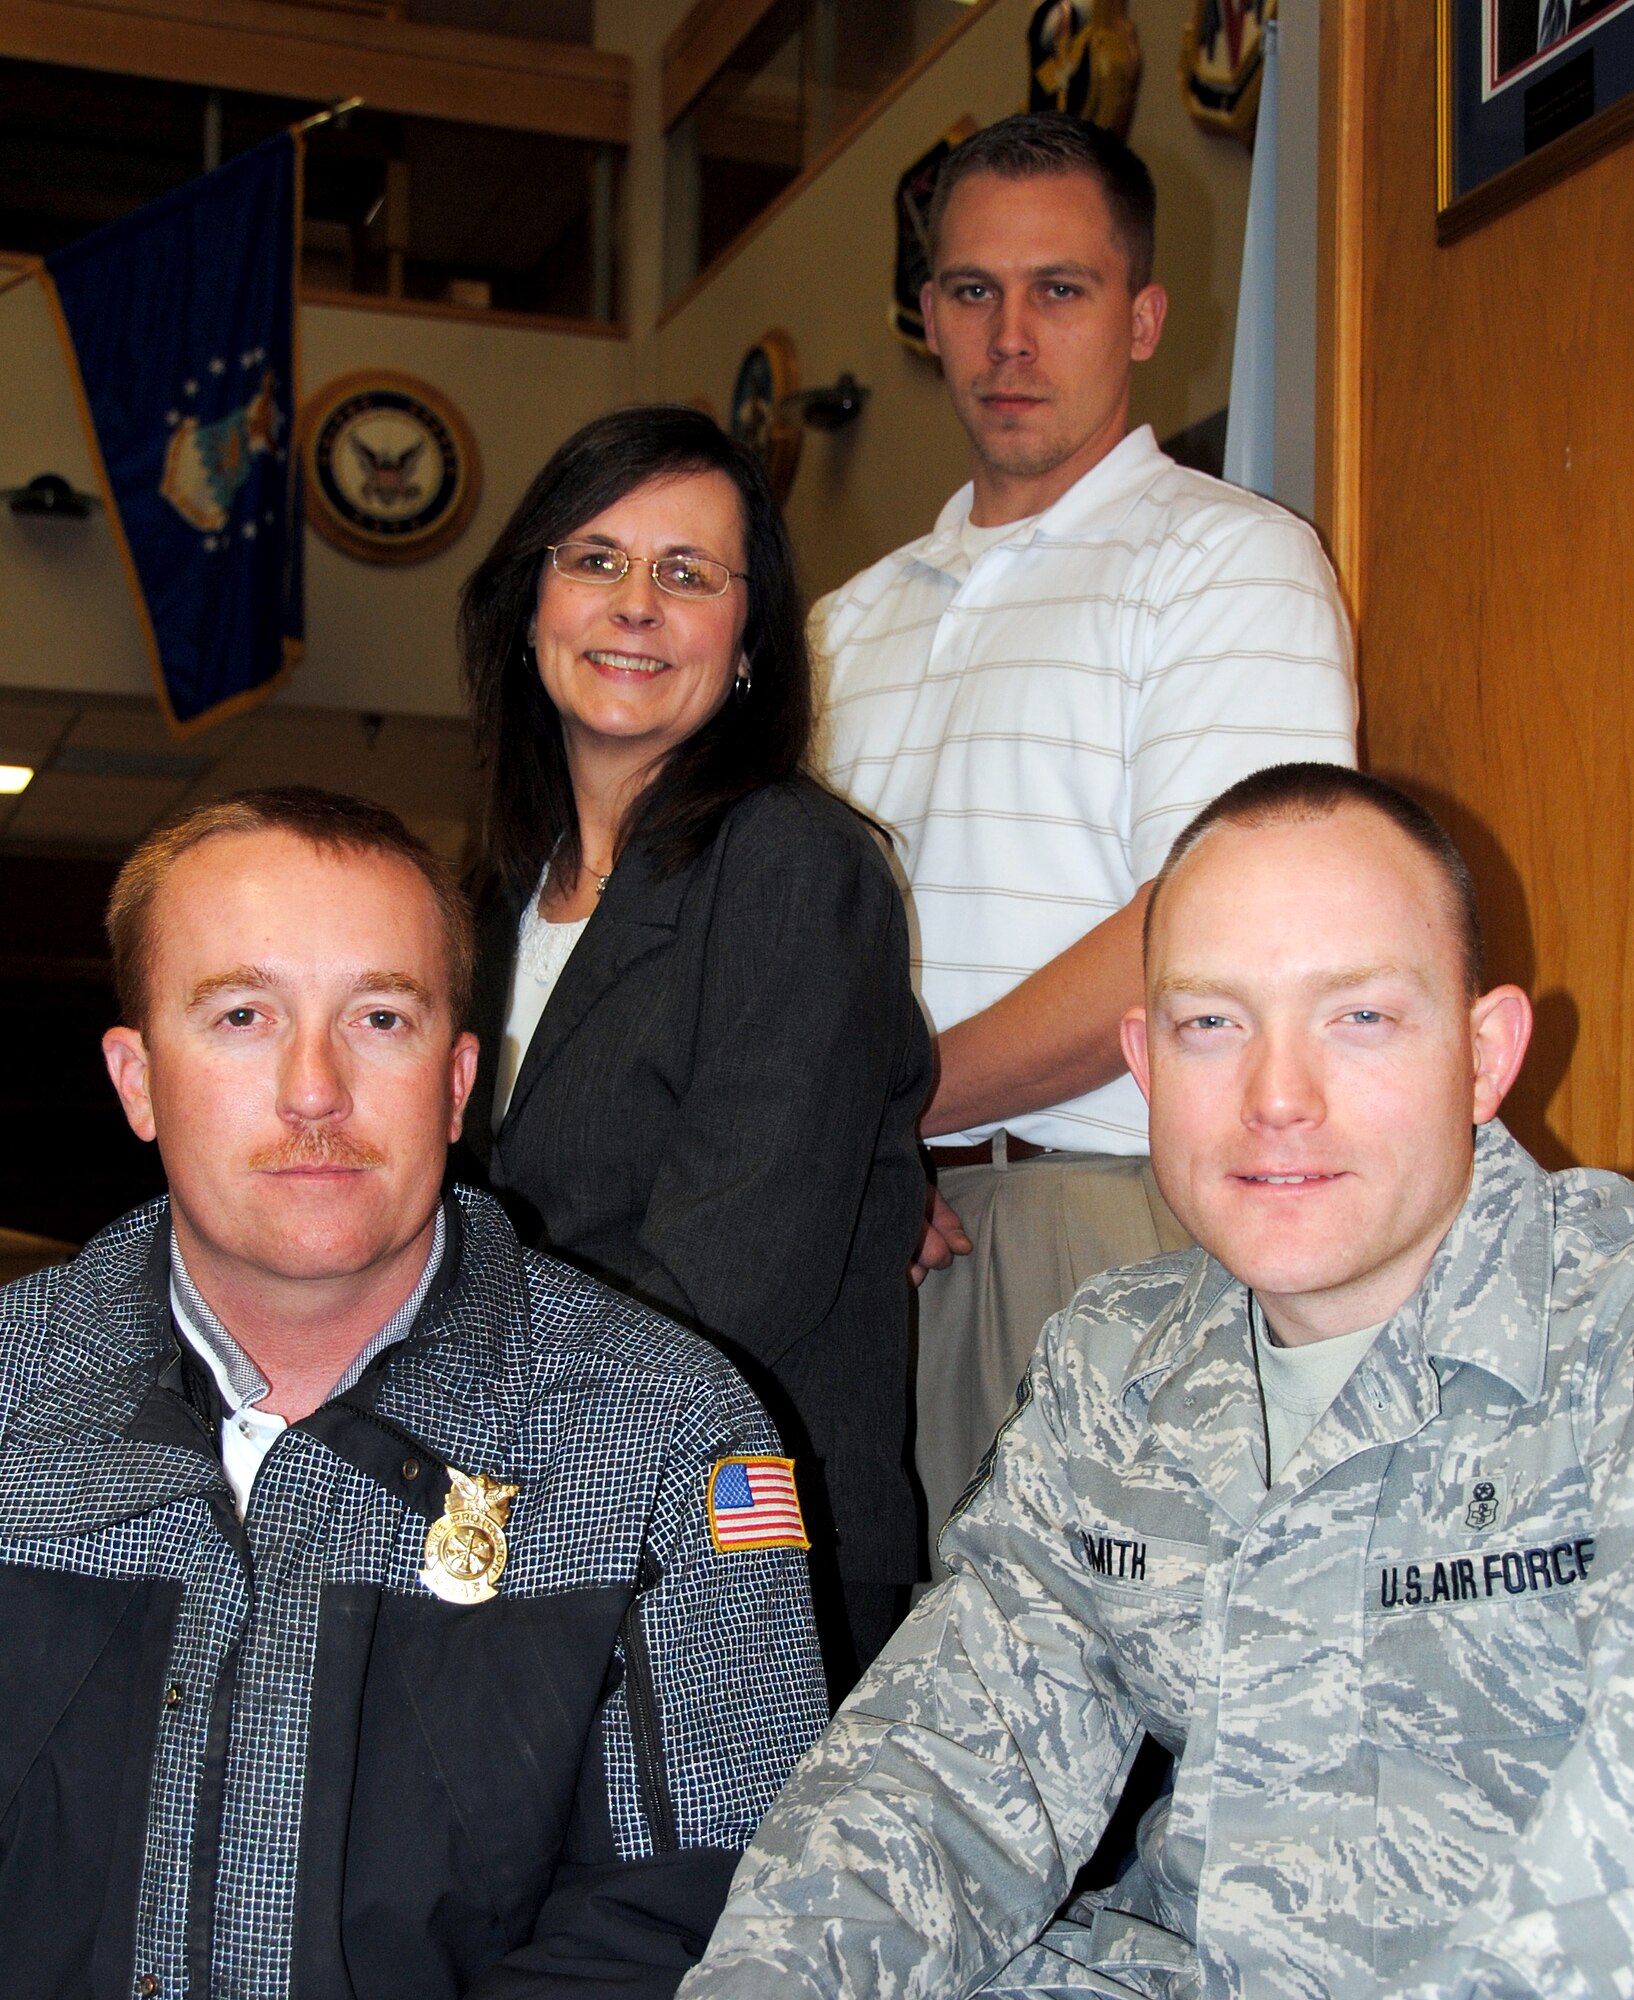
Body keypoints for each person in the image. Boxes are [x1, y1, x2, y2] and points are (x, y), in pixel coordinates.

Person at [681, 762, 1634, 1998]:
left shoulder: (1604, 1331)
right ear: (1142, 1060)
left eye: (1358, 1016)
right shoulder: (1115, 1365)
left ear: (1483, 1052)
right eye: (1209, 1024)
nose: (1275, 1097)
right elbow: (945, 1762)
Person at [0, 785, 827, 2000]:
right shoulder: (11, 1396)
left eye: (379, 1017)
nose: (313, 1088)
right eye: (241, 1014)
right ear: (137, 1079)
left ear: (454, 1082)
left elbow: (712, 1913)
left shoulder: (660, 1431)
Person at [815, 110, 1358, 1558]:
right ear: (927, 315)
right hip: (869, 1236)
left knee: (1121, 1688)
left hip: (1098, 1226)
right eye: (971, 291)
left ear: (1142, 316)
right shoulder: (839, 626)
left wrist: (880, 1116)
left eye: (1059, 289)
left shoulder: (1227, 559)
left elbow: (1202, 934)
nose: (1009, 336)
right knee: (880, 1679)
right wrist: (859, 1159)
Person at [454, 404, 932, 1698]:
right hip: (534, 1523)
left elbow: (730, 1276)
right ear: (530, 605)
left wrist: (461, 1413)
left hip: (732, 1547)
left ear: (749, 641)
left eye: (686, 572)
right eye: (595, 559)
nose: (634, 605)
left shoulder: (794, 866)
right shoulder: (492, 892)